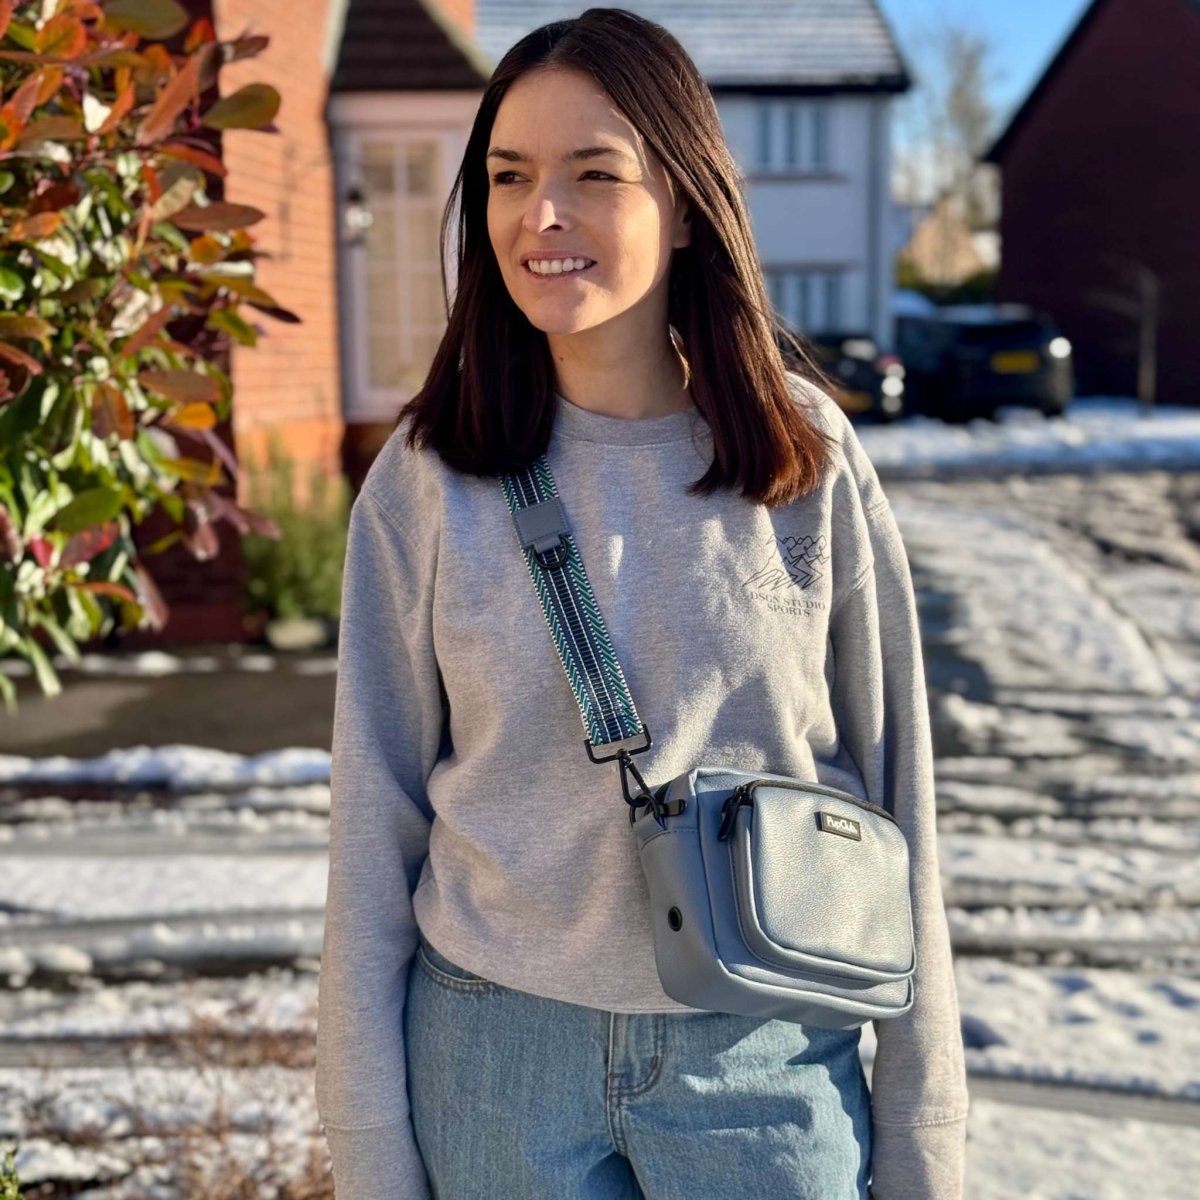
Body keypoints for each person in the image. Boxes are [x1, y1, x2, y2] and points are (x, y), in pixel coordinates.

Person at [314, 8, 969, 1199]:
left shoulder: (800, 455)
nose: (539, 214)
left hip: (767, 1062)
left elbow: (899, 791)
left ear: (685, 199)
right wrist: (366, 1145)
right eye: (508, 177)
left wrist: (927, 1136)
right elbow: (372, 827)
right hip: (490, 1065)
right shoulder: (428, 476)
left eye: (592, 174)